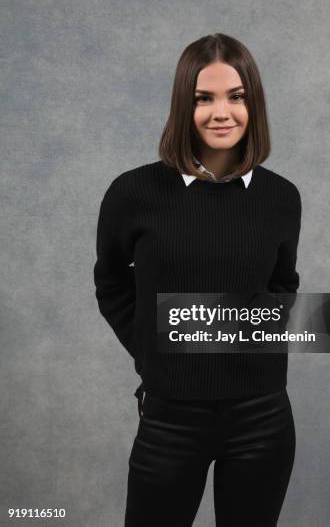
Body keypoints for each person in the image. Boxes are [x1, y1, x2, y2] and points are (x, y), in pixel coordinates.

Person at [93, 33, 302, 526]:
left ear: (254, 105)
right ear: (183, 105)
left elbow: (283, 284)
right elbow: (111, 282)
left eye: (236, 96)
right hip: (171, 419)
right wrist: (152, 346)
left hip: (262, 419)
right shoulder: (133, 193)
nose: (220, 112)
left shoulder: (281, 198)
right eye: (203, 98)